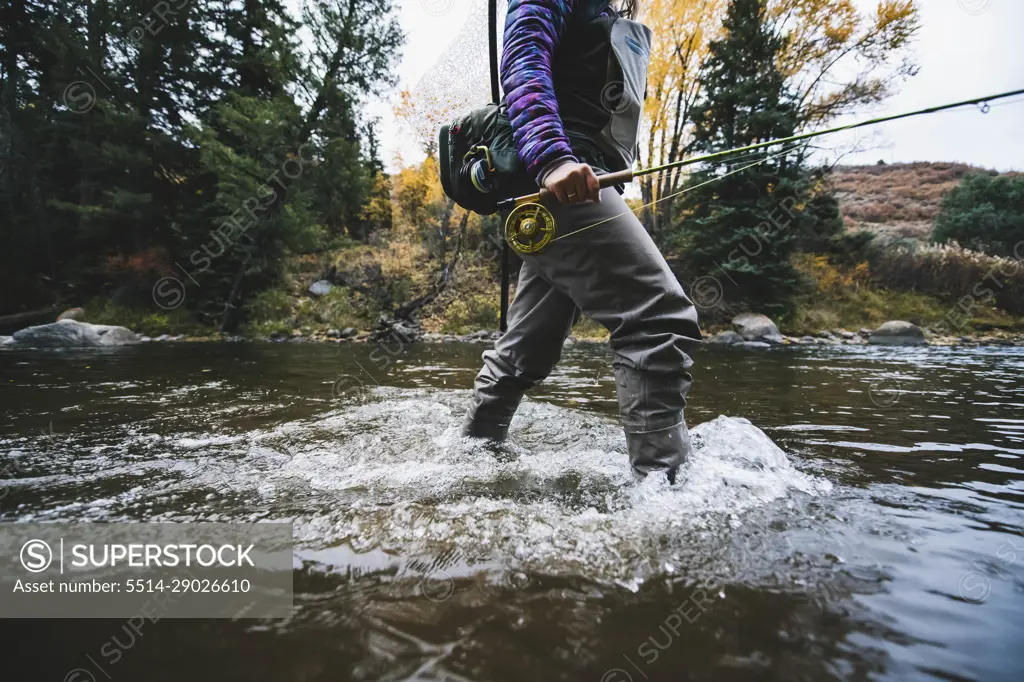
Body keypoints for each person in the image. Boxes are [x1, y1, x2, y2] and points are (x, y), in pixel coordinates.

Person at [460, 0, 703, 484]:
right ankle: (665, 495)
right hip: (554, 184)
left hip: (570, 188)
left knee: (525, 350)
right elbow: (523, 56)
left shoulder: (604, 12)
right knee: (657, 319)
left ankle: (468, 458)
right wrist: (551, 157)